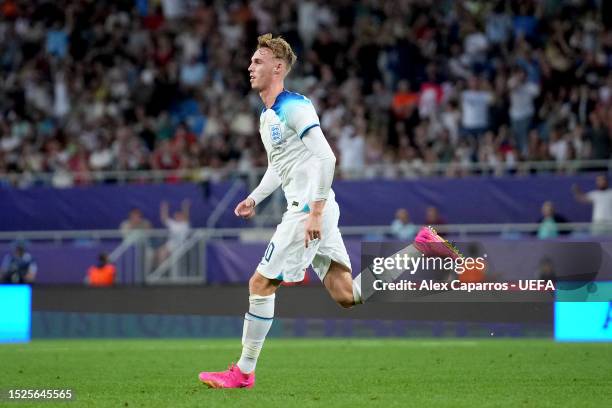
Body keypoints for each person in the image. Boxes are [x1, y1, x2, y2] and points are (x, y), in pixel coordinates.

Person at [197, 33, 460, 389]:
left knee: (260, 284)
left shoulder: (295, 106)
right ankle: (422, 246)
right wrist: (256, 198)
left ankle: (243, 373)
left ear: (278, 68)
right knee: (346, 295)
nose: (250, 66)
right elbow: (281, 165)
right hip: (315, 208)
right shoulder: (267, 116)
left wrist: (315, 213)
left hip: (308, 210)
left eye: (257, 61)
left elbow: (327, 157)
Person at [157, 200, 191, 264]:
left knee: (175, 258)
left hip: (182, 245)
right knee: (161, 252)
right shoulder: (172, 223)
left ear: (182, 216)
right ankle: (162, 270)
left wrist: (186, 207)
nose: (178, 217)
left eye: (180, 215)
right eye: (176, 216)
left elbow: (186, 215)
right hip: (171, 245)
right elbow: (164, 218)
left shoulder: (185, 224)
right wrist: (164, 208)